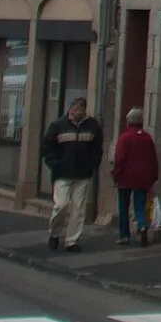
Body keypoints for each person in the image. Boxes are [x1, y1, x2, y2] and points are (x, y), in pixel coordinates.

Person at [41, 92, 104, 251]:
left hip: (83, 174)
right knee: (61, 206)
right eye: (76, 109)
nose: (79, 113)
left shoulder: (92, 126)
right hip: (63, 173)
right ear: (70, 109)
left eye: (82, 110)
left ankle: (72, 240)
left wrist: (93, 163)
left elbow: (97, 147)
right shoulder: (57, 126)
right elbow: (48, 148)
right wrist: (55, 164)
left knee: (78, 209)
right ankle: (54, 233)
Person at [111, 106, 160, 243]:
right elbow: (153, 159)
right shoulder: (147, 138)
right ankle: (142, 225)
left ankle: (124, 235)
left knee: (123, 207)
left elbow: (120, 159)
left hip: (125, 178)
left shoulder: (124, 138)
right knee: (140, 204)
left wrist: (116, 174)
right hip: (143, 178)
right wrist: (153, 177)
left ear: (128, 121)